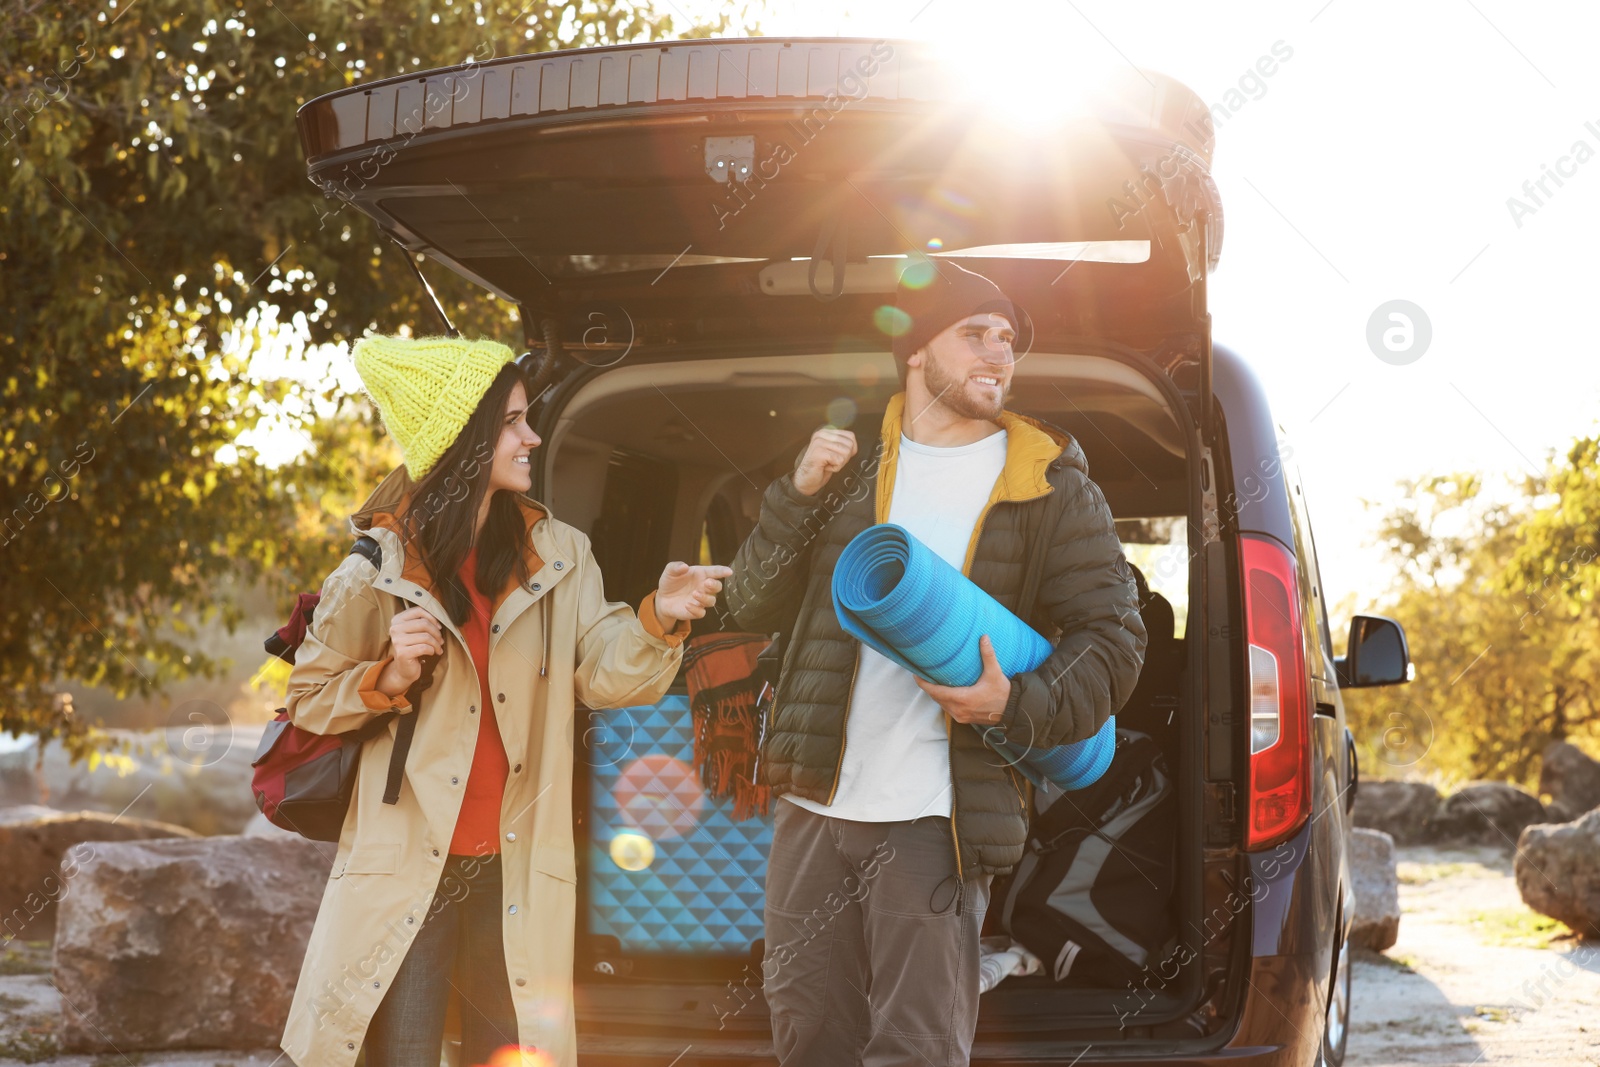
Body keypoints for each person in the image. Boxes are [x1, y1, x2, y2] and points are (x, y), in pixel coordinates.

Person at [722, 264, 1148, 1066]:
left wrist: (1012, 702)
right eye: (975, 332)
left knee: (914, 1047)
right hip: (815, 801)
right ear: (916, 351)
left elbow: (1115, 640)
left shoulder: (1049, 485)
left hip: (936, 815)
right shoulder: (845, 466)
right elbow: (750, 605)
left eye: (1008, 340)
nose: (1000, 352)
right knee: (807, 1032)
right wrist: (794, 495)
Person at [277, 334, 732, 1067]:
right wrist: (387, 676)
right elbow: (308, 698)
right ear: (463, 438)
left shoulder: (560, 552)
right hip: (407, 870)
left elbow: (607, 672)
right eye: (514, 422)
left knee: (513, 1054)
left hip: (515, 868)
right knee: (402, 1055)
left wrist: (658, 616)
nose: (533, 437)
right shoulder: (376, 568)